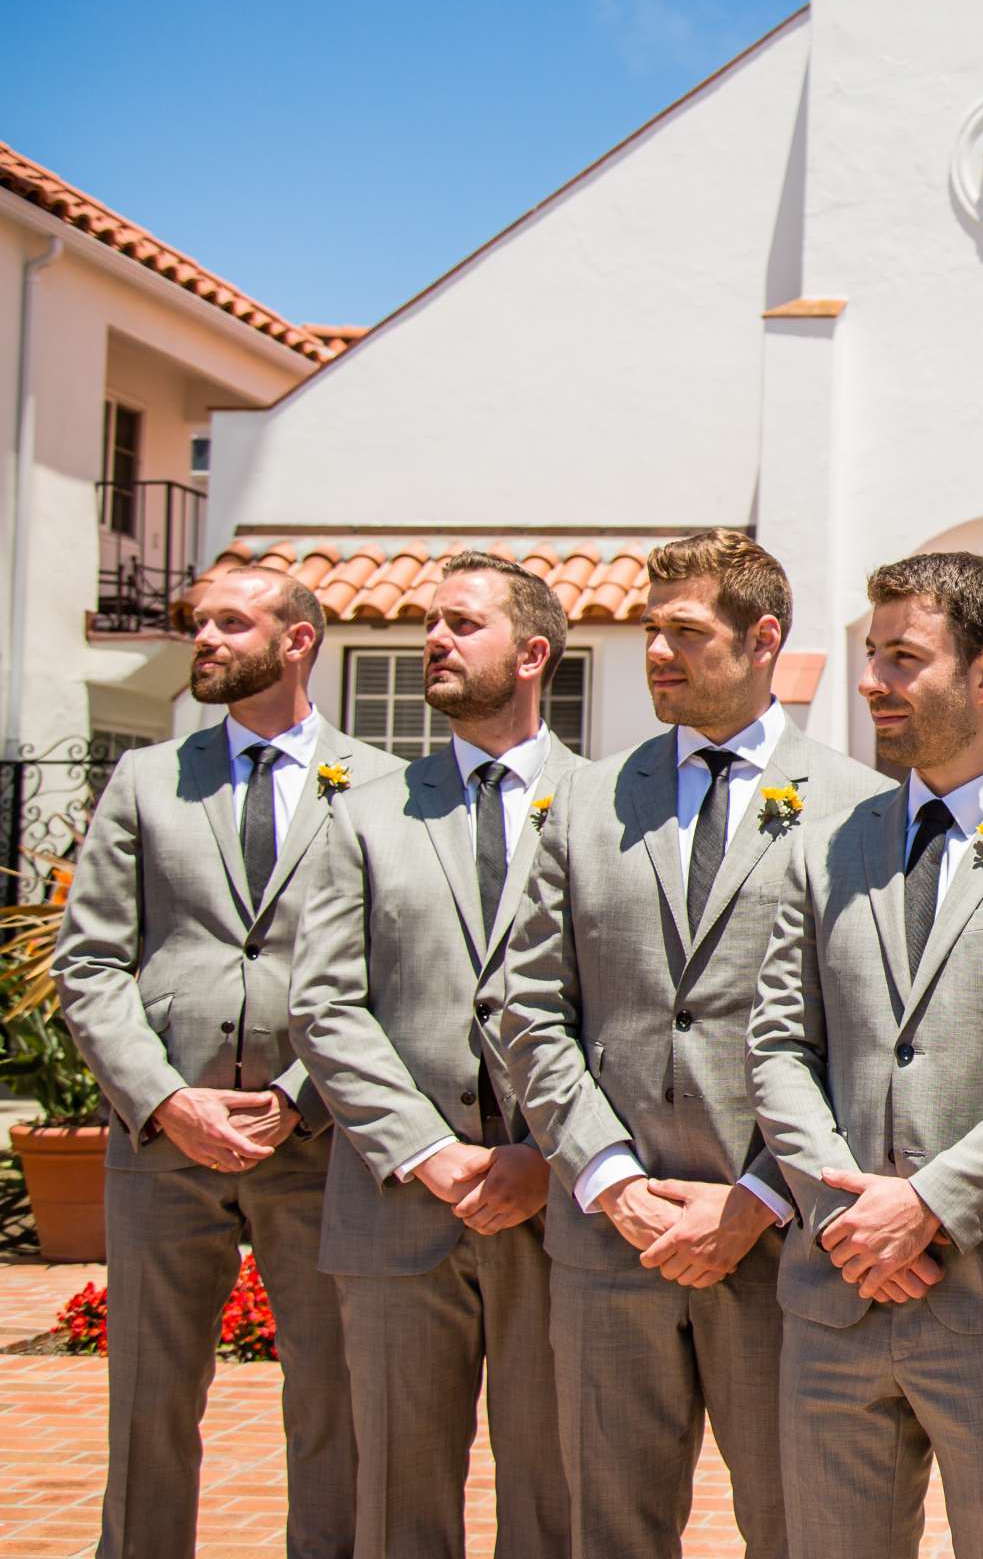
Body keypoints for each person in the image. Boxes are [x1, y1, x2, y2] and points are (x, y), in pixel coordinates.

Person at [498, 529, 894, 1557]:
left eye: (684, 631)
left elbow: (865, 1037)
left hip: (780, 1245)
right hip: (607, 1245)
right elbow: (528, 1005)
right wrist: (612, 1180)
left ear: (763, 638)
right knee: (609, 1529)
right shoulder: (583, 800)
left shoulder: (860, 809)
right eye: (648, 631)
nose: (657, 653)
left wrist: (762, 1194)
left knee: (797, 1525)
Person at [55, 566, 402, 1558]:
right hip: (162, 1144)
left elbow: (392, 958)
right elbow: (89, 959)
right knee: (148, 1399)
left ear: (299, 640)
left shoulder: (383, 786)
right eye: (197, 621)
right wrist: (164, 1102)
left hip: (321, 1139)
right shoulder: (146, 778)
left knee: (331, 1398)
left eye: (229, 621)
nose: (203, 635)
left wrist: (301, 1096)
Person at [748, 551, 983, 1559]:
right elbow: (776, 1043)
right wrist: (844, 1212)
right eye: (869, 654)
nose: (870, 681)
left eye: (901, 657)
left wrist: (932, 1203)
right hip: (833, 1296)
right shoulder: (826, 844)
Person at [290, 551, 582, 1558]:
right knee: (398, 1504)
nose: (434, 641)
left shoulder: (606, 809)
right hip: (400, 1203)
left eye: (463, 623)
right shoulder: (362, 809)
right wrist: (429, 1150)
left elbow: (627, 1010)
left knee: (558, 1498)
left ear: (534, 652)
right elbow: (323, 1003)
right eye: (431, 622)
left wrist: (552, 1154)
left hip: (562, 1206)